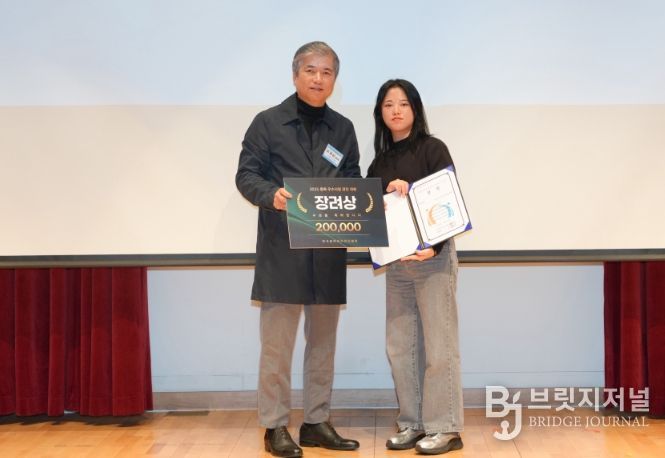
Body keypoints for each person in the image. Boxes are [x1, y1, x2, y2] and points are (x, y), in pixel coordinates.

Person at [235, 41, 361, 458]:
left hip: (327, 253)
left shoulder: (343, 129)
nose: (318, 78)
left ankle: (316, 422)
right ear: (295, 75)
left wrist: (359, 202)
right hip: (282, 252)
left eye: (327, 72)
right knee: (277, 348)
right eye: (311, 70)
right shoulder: (267, 123)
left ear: (334, 80)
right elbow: (246, 175)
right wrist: (271, 195)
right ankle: (274, 426)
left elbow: (353, 178)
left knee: (322, 345)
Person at [366, 79, 464, 455]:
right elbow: (369, 215)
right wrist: (381, 194)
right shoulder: (379, 162)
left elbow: (448, 202)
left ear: (415, 109)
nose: (396, 110)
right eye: (388, 104)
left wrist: (433, 246)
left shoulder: (432, 149)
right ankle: (412, 422)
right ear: (380, 113)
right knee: (400, 347)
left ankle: (445, 428)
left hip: (432, 261)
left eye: (403, 104)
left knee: (439, 347)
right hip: (397, 266)